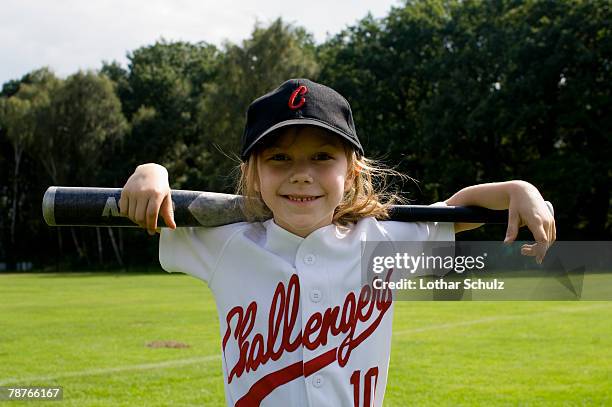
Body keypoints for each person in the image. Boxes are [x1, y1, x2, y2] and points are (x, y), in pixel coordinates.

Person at [119, 78, 555, 407]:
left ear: (352, 171)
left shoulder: (382, 241)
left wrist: (519, 189)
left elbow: (456, 209)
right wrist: (151, 170)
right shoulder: (226, 242)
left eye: (322, 156)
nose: (301, 173)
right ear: (253, 171)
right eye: (279, 158)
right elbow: (156, 203)